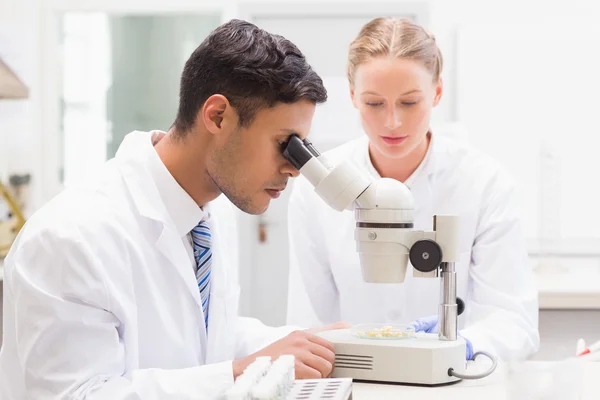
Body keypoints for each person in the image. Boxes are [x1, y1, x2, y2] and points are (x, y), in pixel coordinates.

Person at [0, 19, 346, 399]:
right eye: (284, 143)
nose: (295, 168)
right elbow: (75, 395)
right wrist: (239, 374)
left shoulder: (213, 211)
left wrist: (303, 344)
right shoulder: (69, 238)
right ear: (217, 116)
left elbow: (208, 336)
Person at [286, 17, 539, 361]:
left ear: (436, 93)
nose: (392, 122)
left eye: (409, 102)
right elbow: (308, 322)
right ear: (353, 97)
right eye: (374, 103)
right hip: (355, 380)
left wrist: (463, 345)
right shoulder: (316, 191)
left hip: (455, 381)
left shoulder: (484, 185)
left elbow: (513, 322)